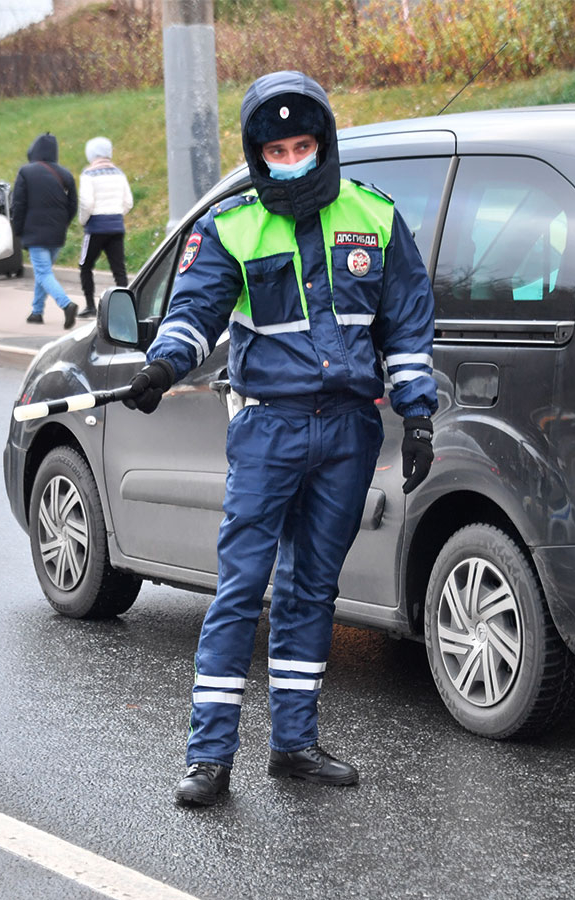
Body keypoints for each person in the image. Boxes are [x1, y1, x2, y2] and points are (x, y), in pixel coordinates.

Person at [125, 71, 437, 807]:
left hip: (351, 431)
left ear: (322, 144)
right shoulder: (231, 226)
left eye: (301, 145)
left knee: (311, 590)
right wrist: (163, 363)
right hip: (268, 426)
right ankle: (209, 757)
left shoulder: (376, 219)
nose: (289, 158)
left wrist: (418, 413)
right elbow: (195, 311)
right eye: (275, 150)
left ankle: (293, 745)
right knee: (240, 589)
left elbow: (408, 328)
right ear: (257, 156)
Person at [11, 132, 78, 328]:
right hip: (57, 234)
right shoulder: (65, 174)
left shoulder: (26, 172)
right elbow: (72, 205)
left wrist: (18, 230)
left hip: (34, 232)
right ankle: (36, 312)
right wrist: (62, 223)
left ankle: (66, 304)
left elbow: (18, 204)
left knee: (43, 273)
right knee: (44, 273)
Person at [75, 135, 134, 319]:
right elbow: (128, 202)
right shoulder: (119, 173)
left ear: (90, 154)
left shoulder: (88, 174)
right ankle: (125, 307)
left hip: (96, 227)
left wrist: (83, 220)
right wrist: (117, 213)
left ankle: (90, 305)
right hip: (117, 225)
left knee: (85, 266)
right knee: (119, 269)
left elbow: (86, 202)